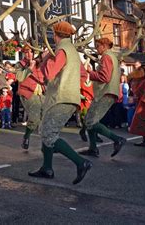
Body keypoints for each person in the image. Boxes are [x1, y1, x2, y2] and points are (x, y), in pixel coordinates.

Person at [28, 21, 92, 185]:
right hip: (68, 97)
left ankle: (80, 162)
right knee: (45, 130)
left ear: (55, 35)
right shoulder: (72, 50)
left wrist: (45, 59)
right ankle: (47, 168)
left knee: (49, 134)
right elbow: (83, 75)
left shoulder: (62, 50)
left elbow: (49, 74)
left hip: (61, 98)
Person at [79, 37, 126, 158]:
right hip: (107, 93)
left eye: (98, 46)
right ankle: (93, 148)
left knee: (91, 121)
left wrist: (90, 73)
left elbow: (105, 77)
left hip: (105, 93)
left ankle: (117, 139)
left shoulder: (106, 57)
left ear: (104, 46)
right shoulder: (112, 57)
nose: (96, 48)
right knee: (89, 119)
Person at [15, 44, 45, 149]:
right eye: (27, 52)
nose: (29, 54)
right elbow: (19, 78)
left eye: (31, 52)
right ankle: (26, 136)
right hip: (28, 93)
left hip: (42, 93)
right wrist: (30, 67)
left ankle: (46, 144)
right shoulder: (20, 64)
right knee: (34, 119)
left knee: (46, 119)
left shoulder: (40, 63)